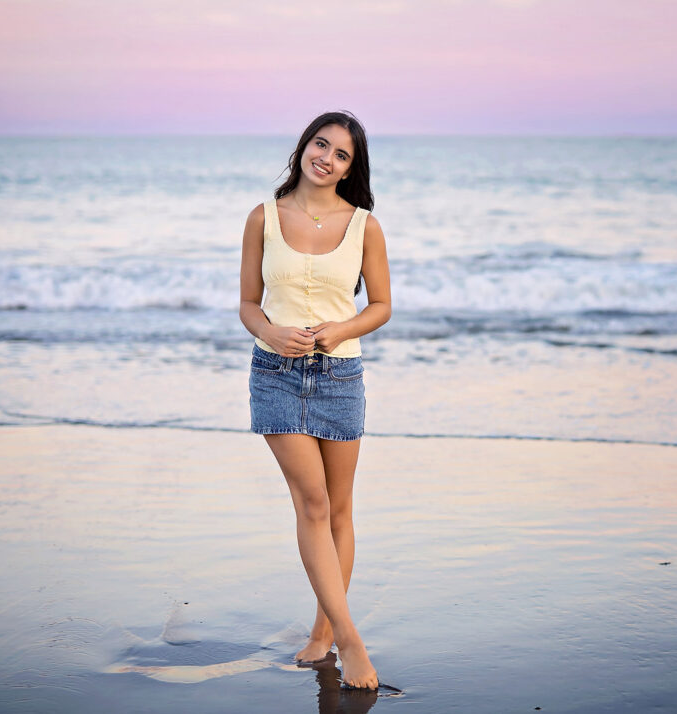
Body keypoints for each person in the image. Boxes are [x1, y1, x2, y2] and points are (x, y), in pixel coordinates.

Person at [238, 110, 391, 690]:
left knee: (342, 509)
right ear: (304, 147)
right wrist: (270, 331)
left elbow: (380, 305)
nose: (326, 157)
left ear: (352, 168)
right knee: (313, 505)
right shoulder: (263, 218)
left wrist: (340, 331)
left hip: (340, 378)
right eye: (320, 144)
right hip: (274, 373)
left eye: (341, 154)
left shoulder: (364, 226)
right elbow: (249, 304)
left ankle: (324, 631)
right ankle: (353, 642)